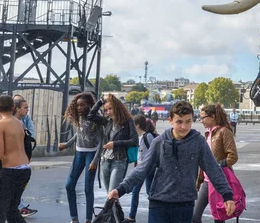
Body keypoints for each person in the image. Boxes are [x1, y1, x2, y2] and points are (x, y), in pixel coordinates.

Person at [108, 101, 235, 223]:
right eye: (179, 122)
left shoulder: (198, 142)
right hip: (159, 204)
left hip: (185, 205)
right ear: (170, 121)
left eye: (188, 121)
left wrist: (227, 195)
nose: (184, 126)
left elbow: (213, 169)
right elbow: (143, 169)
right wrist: (121, 189)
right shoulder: (160, 142)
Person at [59, 92, 104, 223]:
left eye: (82, 105)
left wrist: (95, 160)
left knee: (87, 188)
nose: (79, 108)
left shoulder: (96, 117)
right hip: (79, 153)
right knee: (69, 185)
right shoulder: (78, 116)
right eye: (78, 105)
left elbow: (102, 140)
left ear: (90, 105)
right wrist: (67, 145)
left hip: (91, 153)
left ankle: (88, 219)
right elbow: (79, 133)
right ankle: (74, 219)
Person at [193, 104, 238, 223]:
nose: (200, 120)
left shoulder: (224, 131)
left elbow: (233, 156)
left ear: (212, 116)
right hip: (207, 182)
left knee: (219, 217)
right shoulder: (208, 134)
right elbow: (204, 160)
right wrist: (199, 181)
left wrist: (218, 166)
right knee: (195, 217)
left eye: (203, 117)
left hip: (219, 181)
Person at [88, 94, 138, 193]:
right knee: (110, 195)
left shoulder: (127, 122)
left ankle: (112, 208)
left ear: (117, 107)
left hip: (119, 161)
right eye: (106, 110)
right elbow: (91, 116)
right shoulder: (107, 121)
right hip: (105, 161)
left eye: (110, 109)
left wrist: (115, 144)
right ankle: (115, 209)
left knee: (112, 193)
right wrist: (100, 101)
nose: (108, 112)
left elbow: (134, 141)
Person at [0, 95, 31, 223]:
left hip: (10, 170)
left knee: (0, 209)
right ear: (13, 107)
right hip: (25, 169)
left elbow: (0, 155)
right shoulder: (19, 123)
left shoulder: (0, 125)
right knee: (12, 209)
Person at [124, 115, 158, 223]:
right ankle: (131, 217)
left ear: (137, 125)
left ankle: (155, 216)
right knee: (135, 191)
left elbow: (155, 151)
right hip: (140, 169)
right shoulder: (138, 137)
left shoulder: (147, 136)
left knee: (150, 193)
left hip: (149, 169)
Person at [12, 97, 37, 218]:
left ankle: (18, 208)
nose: (28, 110)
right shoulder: (12, 124)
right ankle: (19, 208)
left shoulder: (21, 122)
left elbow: (28, 139)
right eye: (25, 108)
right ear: (16, 109)